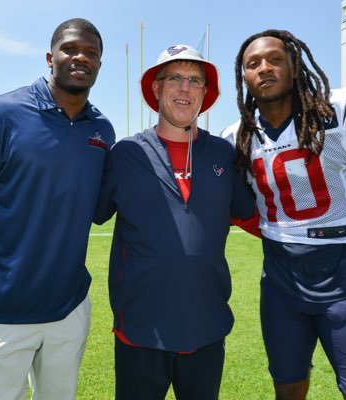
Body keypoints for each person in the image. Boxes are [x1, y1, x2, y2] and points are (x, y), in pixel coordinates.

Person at [94, 44, 255, 400]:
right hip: (140, 329)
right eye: (175, 78)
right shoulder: (126, 153)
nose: (185, 88)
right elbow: (89, 210)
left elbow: (256, 216)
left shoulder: (223, 154)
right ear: (155, 87)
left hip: (206, 325)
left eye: (195, 80)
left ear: (205, 92)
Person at [222, 29, 346, 400]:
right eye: (252, 63)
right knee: (287, 385)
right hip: (280, 282)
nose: (264, 68)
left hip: (343, 278)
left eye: (275, 59)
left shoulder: (342, 111)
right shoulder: (236, 136)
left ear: (295, 65)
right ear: (243, 77)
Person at [0, 18, 115, 400]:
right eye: (71, 48)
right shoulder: (0, 113)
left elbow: (101, 207)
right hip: (1, 306)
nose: (81, 57)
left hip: (68, 305)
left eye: (92, 53)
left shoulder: (102, 129)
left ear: (100, 65)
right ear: (50, 56)